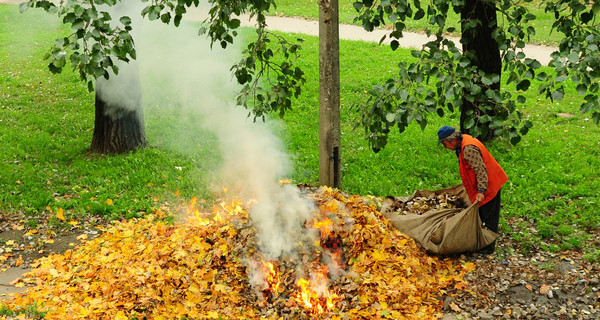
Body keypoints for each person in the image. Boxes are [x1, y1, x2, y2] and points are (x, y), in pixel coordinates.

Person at [437, 125, 508, 254]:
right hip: (487, 183)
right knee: (482, 214)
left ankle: (488, 247)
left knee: (489, 216)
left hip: (490, 184)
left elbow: (480, 170)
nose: (445, 147)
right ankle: (481, 240)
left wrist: (481, 191)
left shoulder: (468, 148)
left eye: (444, 143)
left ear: (452, 140)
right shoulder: (464, 141)